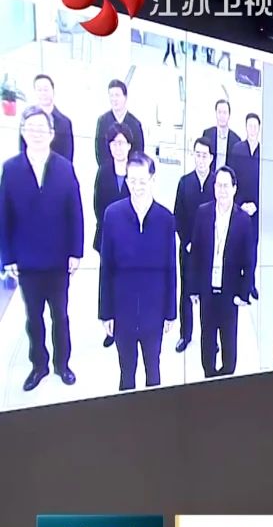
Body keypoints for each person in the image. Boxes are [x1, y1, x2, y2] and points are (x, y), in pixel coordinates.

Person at [0, 106, 84, 390]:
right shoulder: (11, 169)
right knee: (33, 317)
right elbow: (4, 216)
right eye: (31, 128)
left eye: (41, 128)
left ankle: (63, 364)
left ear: (51, 134)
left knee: (60, 315)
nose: (36, 133)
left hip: (58, 259)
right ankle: (39, 365)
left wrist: (76, 252)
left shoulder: (64, 168)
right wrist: (7, 257)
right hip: (27, 260)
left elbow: (75, 212)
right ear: (23, 133)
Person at [98, 152, 176, 391]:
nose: (137, 186)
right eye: (132, 180)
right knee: (126, 372)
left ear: (153, 180)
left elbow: (171, 268)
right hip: (123, 311)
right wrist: (106, 313)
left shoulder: (165, 218)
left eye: (142, 181)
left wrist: (170, 312)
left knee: (153, 370)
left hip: (154, 311)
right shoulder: (113, 215)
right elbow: (106, 268)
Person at [189, 166, 254, 378]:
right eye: (219, 185)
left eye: (226, 186)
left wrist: (243, 292)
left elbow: (249, 260)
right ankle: (209, 380)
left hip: (229, 293)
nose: (222, 190)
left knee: (229, 345)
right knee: (207, 342)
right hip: (207, 291)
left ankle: (226, 382)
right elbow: (195, 253)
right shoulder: (203, 213)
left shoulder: (243, 220)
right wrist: (193, 288)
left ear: (234, 188)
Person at [93, 122, 136, 348]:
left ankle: (127, 322)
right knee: (108, 282)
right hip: (108, 238)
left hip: (132, 240)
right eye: (114, 143)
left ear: (129, 145)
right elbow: (98, 206)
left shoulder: (136, 171)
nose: (118, 147)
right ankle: (110, 325)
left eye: (121, 143)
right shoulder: (103, 172)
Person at [173, 138, 216, 353]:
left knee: (210, 294)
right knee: (186, 291)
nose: (200, 159)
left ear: (211, 158)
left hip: (211, 251)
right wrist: (187, 241)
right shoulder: (184, 182)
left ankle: (211, 338)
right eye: (197, 154)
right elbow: (178, 216)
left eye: (204, 155)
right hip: (188, 249)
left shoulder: (217, 183)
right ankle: (185, 334)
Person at [228, 113, 261, 299]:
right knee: (237, 246)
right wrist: (240, 204)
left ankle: (250, 284)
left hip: (257, 209)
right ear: (246, 127)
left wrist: (257, 205)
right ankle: (236, 283)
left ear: (259, 129)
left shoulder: (264, 151)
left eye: (255, 126)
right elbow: (232, 177)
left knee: (252, 248)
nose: (252, 129)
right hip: (239, 206)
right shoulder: (237, 149)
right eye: (250, 126)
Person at [20, 74, 74, 163]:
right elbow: (22, 151)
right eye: (39, 90)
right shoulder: (27, 120)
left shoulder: (65, 122)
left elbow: (68, 156)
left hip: (57, 169)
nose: (43, 93)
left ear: (53, 91)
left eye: (46, 89)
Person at [94, 80, 145, 168]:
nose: (114, 99)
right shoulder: (102, 121)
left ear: (125, 97)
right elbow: (99, 151)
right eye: (111, 95)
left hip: (130, 171)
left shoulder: (135, 124)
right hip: (107, 170)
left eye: (117, 95)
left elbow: (138, 152)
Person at [200, 99, 241, 171]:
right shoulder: (207, 134)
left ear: (229, 115)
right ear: (216, 114)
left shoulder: (236, 140)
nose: (222, 116)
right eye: (219, 112)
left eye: (225, 113)